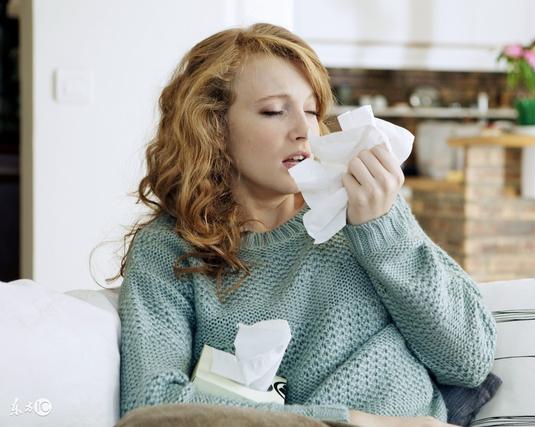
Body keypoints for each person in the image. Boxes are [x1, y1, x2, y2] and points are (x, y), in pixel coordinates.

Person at [116, 22, 497, 427]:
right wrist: (360, 422)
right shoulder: (168, 250)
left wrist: (383, 230)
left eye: (312, 111)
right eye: (274, 111)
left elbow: (469, 361)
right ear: (213, 126)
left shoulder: (360, 212)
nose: (303, 131)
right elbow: (153, 406)